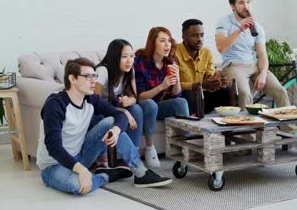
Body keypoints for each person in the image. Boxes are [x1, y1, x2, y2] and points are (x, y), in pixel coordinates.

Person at [36, 58, 172, 195]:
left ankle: (141, 172)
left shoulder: (90, 99)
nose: (93, 80)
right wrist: (82, 170)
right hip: (53, 165)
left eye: (94, 75)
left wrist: (116, 130)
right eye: (88, 76)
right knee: (77, 186)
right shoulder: (55, 104)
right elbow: (53, 147)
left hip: (81, 156)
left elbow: (119, 116)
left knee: (110, 122)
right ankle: (106, 176)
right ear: (73, 79)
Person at [215, 0, 289, 110]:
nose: (246, 6)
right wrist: (240, 29)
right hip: (233, 65)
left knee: (281, 91)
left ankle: (287, 129)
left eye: (248, 2)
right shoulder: (224, 22)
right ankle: (246, 128)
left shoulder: (257, 27)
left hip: (254, 65)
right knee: (245, 94)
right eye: (241, 3)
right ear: (232, 6)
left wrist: (263, 73)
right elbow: (221, 47)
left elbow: (262, 54)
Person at [95, 39, 160, 168]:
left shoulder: (130, 70)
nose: (129, 60)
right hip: (99, 107)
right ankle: (102, 158)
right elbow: (95, 102)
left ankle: (132, 156)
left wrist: (128, 100)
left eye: (131, 56)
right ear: (114, 57)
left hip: (114, 105)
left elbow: (135, 97)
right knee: (108, 117)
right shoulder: (103, 71)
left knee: (136, 109)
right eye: (124, 57)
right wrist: (124, 112)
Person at [134, 27, 190, 165]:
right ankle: (150, 149)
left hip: (159, 105)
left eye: (169, 41)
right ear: (153, 43)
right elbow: (140, 96)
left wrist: (177, 79)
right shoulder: (140, 60)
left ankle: (187, 146)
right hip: (143, 106)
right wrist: (162, 86)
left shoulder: (171, 61)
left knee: (181, 102)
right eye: (162, 41)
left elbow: (176, 94)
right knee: (150, 104)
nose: (167, 45)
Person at [175, 19, 231, 114]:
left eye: (202, 35)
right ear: (184, 37)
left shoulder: (207, 53)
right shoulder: (174, 53)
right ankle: (191, 124)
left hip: (202, 96)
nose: (200, 39)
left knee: (227, 91)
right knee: (188, 95)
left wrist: (217, 81)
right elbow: (173, 85)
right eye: (194, 35)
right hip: (183, 97)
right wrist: (199, 85)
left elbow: (209, 78)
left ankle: (226, 124)